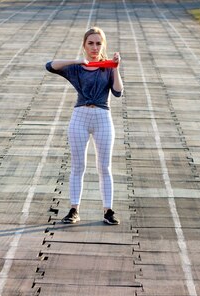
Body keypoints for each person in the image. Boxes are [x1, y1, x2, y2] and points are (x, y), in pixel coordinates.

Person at [45, 26, 123, 225]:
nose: (95, 47)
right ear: (84, 45)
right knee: (78, 166)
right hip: (80, 117)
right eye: (91, 43)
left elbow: (117, 92)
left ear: (103, 45)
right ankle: (74, 209)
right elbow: (50, 65)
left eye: (98, 43)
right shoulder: (76, 68)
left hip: (102, 117)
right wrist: (77, 60)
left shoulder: (108, 67)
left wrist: (116, 67)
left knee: (104, 167)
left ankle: (108, 210)